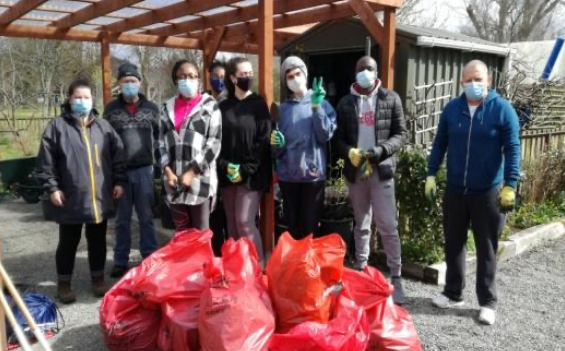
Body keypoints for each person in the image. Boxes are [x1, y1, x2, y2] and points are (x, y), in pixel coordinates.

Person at [426, 60, 520, 325]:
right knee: (453, 242)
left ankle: (487, 302)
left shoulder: (502, 110)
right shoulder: (452, 109)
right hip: (456, 189)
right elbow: (439, 143)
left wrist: (511, 184)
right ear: (461, 83)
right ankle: (453, 293)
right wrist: (431, 174)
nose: (473, 84)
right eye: (468, 80)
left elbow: (513, 147)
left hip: (488, 191)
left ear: (488, 80)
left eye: (478, 79)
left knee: (486, 247)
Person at [36, 79, 126, 304]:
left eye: (86, 97)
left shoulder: (103, 126)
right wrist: (52, 187)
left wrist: (119, 181)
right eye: (77, 97)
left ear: (92, 99)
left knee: (97, 241)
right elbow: (46, 162)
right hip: (70, 196)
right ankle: (64, 284)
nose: (82, 101)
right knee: (68, 242)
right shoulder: (57, 127)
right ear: (69, 99)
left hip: (99, 197)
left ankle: (98, 280)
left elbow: (118, 156)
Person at [334, 56, 407, 305]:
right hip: (357, 172)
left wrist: (381, 150)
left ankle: (396, 276)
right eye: (360, 68)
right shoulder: (345, 103)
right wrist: (348, 153)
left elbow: (401, 134)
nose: (365, 72)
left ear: (377, 72)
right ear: (354, 73)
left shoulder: (390, 99)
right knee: (361, 222)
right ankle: (362, 267)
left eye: (369, 68)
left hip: (381, 170)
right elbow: (338, 139)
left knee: (387, 225)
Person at [103, 63, 160, 278]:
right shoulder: (111, 110)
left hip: (145, 170)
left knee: (146, 217)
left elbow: (160, 138)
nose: (129, 85)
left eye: (133, 81)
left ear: (140, 82)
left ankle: (149, 256)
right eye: (125, 81)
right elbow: (105, 143)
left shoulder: (152, 109)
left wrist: (160, 169)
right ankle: (120, 260)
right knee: (122, 220)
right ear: (118, 84)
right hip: (121, 174)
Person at [271, 56, 336, 239]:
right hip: (288, 176)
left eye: (297, 74)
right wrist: (276, 146)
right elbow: (275, 152)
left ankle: (309, 266)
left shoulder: (322, 104)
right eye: (289, 77)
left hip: (312, 177)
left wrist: (316, 108)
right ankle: (296, 265)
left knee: (310, 228)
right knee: (292, 228)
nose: (294, 79)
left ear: (305, 75)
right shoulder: (282, 110)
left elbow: (324, 135)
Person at [158, 59, 222, 232]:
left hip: (199, 182)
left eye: (193, 76)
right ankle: (184, 261)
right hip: (173, 182)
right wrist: (168, 171)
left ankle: (202, 261)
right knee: (181, 234)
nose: (188, 80)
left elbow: (214, 143)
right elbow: (159, 143)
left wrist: (192, 171)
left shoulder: (209, 106)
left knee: (200, 233)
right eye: (183, 76)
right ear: (175, 80)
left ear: (199, 80)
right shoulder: (165, 108)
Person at [218, 57, 271, 264]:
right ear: (232, 78)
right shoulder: (223, 107)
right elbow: (216, 139)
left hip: (252, 174)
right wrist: (225, 166)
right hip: (227, 172)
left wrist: (246, 169)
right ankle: (235, 267)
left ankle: (257, 268)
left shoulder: (258, 104)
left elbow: (263, 139)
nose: (248, 78)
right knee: (231, 223)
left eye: (250, 74)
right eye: (243, 74)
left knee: (245, 221)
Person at [207, 60, 229, 255]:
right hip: (209, 164)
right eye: (216, 76)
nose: (219, 80)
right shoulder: (204, 102)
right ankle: (216, 254)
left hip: (226, 162)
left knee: (228, 213)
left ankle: (229, 254)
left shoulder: (230, 103)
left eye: (222, 77)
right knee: (212, 212)